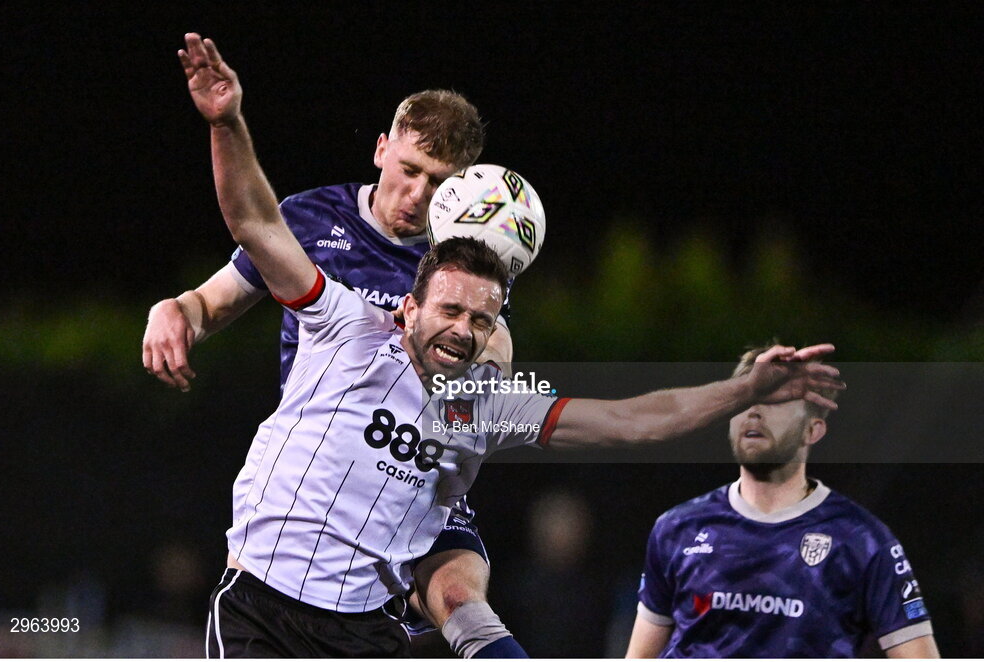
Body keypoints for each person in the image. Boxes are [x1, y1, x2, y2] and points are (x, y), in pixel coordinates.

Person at [176, 34, 845, 658]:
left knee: (460, 590)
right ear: (405, 306)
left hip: (366, 620)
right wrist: (225, 123)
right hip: (261, 610)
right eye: (449, 311)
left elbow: (633, 420)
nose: (462, 329)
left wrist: (744, 389)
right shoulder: (344, 322)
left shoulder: (485, 401)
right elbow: (254, 222)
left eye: (480, 319)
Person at [145, 35, 517, 657]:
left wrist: (491, 368)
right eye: (410, 172)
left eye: (441, 183)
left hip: (416, 471)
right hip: (322, 474)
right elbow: (213, 299)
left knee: (460, 599)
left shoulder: (463, 270)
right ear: (381, 149)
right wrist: (173, 309)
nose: (419, 196)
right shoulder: (315, 221)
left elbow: (490, 379)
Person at [626, 345, 939, 658]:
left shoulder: (861, 540)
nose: (753, 411)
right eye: (744, 400)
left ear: (812, 430)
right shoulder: (679, 528)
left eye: (775, 401)